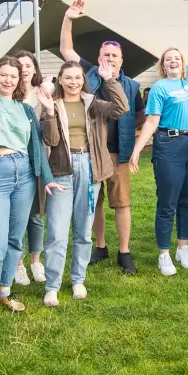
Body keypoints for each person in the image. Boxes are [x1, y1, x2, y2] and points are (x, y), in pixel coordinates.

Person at [0, 14, 62, 322]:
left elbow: (35, 148)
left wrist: (45, 177)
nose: (8, 79)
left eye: (13, 76)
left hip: (23, 175)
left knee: (16, 239)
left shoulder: (25, 110)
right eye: (3, 74)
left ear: (21, 81)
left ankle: (5, 290)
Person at [58, 0, 146, 274]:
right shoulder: (87, 74)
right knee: (94, 202)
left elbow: (139, 115)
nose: (110, 59)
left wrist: (134, 146)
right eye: (106, 55)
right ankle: (100, 245)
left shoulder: (131, 85)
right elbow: (65, 49)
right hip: (90, 150)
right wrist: (68, 18)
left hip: (118, 152)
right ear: (98, 58)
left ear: (121, 61)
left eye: (114, 56)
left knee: (122, 202)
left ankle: (124, 251)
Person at [40, 60, 129, 306]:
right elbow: (51, 139)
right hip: (62, 171)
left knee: (84, 231)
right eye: (68, 77)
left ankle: (78, 279)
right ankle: (52, 286)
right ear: (60, 79)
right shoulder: (52, 104)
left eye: (77, 77)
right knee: (57, 233)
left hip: (90, 168)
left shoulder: (93, 104)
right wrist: (48, 112)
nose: (73, 82)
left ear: (83, 80)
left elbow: (122, 108)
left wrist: (109, 80)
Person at [129, 46, 188, 276]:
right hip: (170, 145)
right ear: (162, 66)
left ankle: (183, 247)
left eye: (176, 58)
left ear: (182, 63)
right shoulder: (160, 88)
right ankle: (164, 253)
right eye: (168, 59)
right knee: (168, 202)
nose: (173, 62)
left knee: (187, 200)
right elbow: (152, 121)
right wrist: (137, 149)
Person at [13, 51, 54, 286]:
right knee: (17, 216)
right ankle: (18, 265)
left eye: (29, 65)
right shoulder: (8, 94)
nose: (24, 69)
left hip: (38, 160)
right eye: (20, 66)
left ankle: (36, 261)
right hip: (14, 159)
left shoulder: (43, 93)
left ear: (35, 69)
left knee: (36, 215)